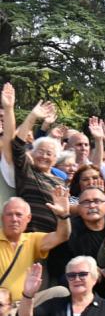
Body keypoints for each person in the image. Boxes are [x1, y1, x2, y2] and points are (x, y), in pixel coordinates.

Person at [4, 96, 66, 232]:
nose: (44, 156)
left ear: (55, 159)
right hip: (28, 237)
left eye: (49, 153)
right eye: (40, 152)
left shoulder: (61, 181)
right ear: (32, 153)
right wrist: (33, 117)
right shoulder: (27, 170)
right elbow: (17, 145)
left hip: (54, 237)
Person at [0, 194, 70, 302]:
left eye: (19, 215)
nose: (14, 219)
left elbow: (62, 236)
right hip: (2, 305)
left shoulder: (32, 239)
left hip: (25, 303)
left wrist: (63, 215)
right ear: (2, 218)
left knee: (61, 292)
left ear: (28, 218)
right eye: (9, 214)